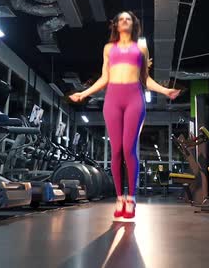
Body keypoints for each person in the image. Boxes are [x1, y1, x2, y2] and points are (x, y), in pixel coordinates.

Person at [69, 11, 181, 219]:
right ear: (116, 25)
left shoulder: (141, 48)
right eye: (120, 19)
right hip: (112, 99)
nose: (124, 21)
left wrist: (165, 91)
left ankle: (132, 198)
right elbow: (104, 78)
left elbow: (145, 79)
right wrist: (83, 94)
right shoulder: (108, 48)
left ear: (133, 24)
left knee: (129, 148)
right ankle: (120, 198)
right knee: (117, 150)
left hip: (134, 98)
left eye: (128, 19)